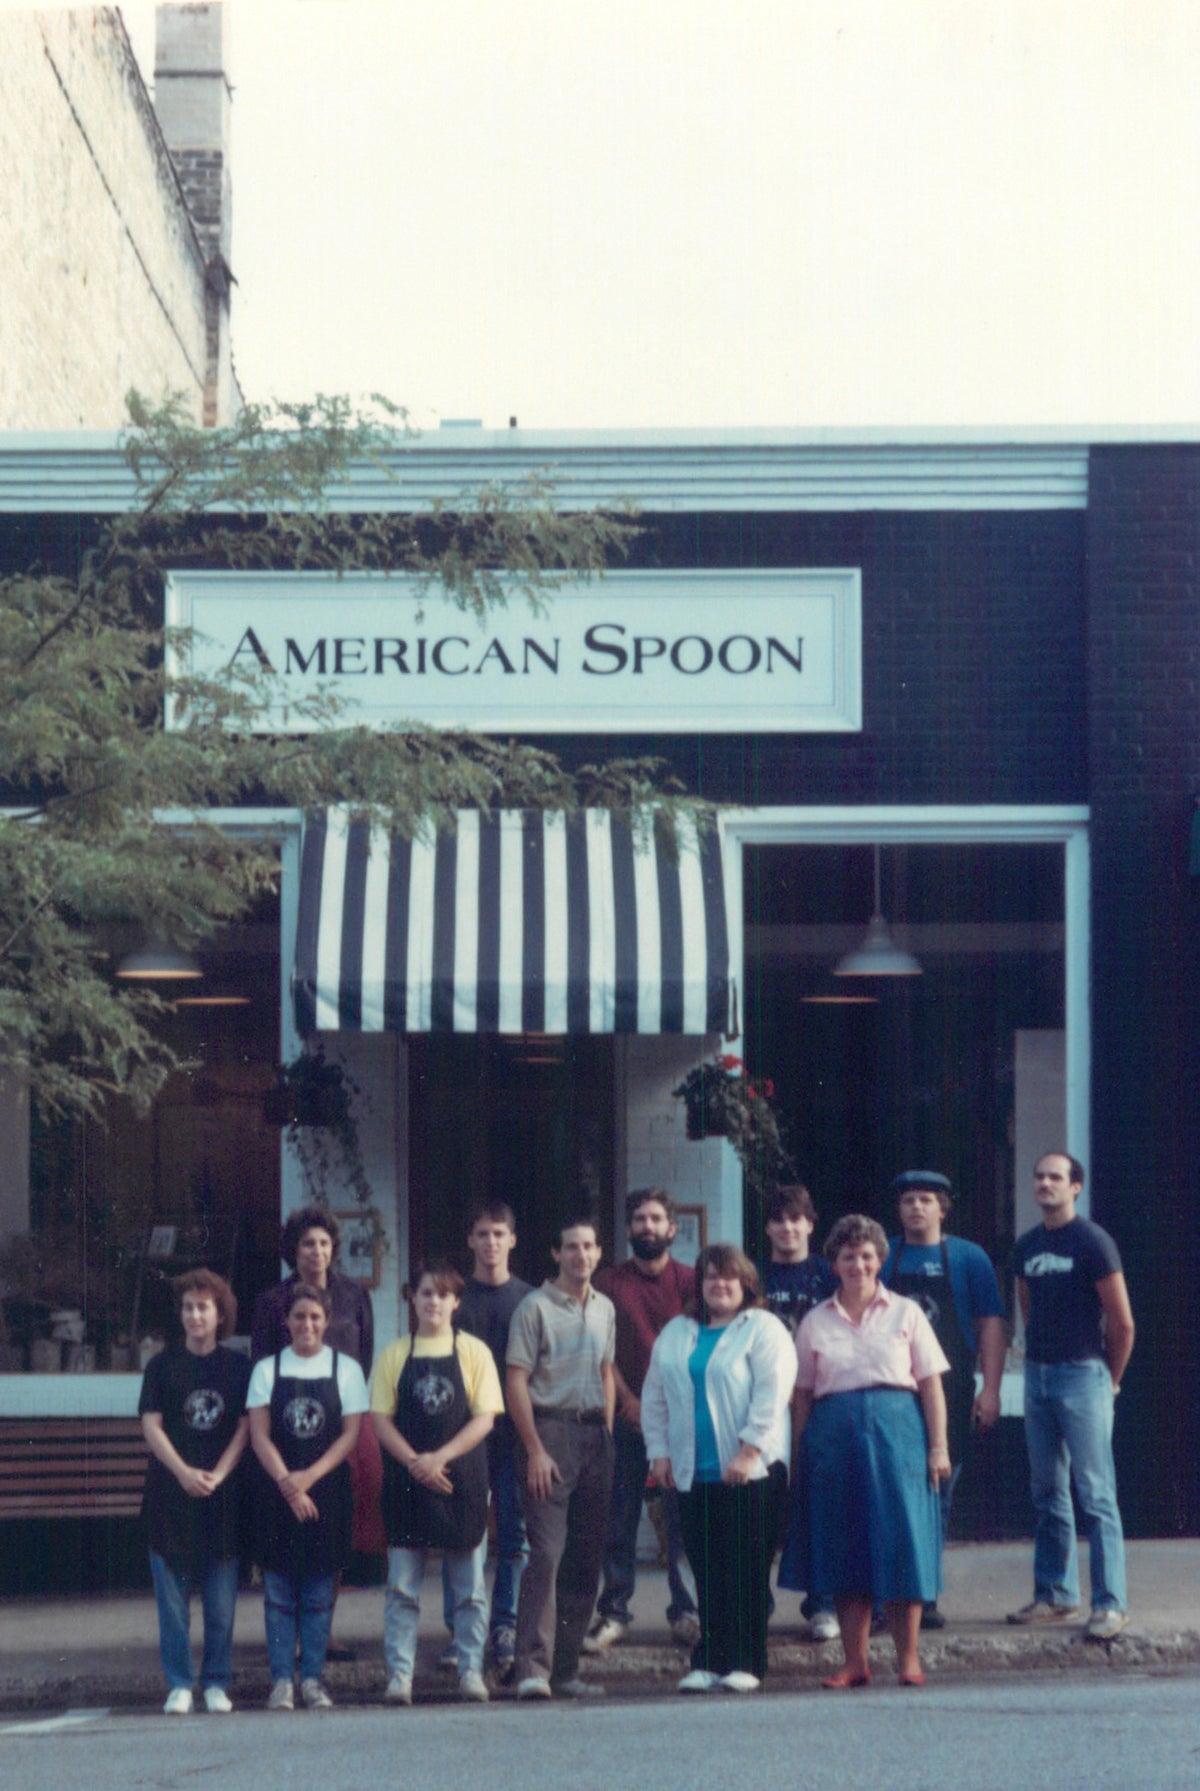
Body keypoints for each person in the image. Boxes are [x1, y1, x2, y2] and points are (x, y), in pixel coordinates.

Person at [780, 1214, 950, 1689]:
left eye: (867, 1255)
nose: (858, 1264)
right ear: (834, 1263)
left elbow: (931, 1385)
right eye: (848, 1256)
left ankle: (909, 1658)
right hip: (834, 1439)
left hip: (899, 1434)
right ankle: (855, 1661)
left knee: (903, 1545)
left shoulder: (906, 1313)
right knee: (845, 1548)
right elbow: (802, 1397)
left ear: (881, 1260)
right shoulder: (814, 1321)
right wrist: (800, 1457)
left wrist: (938, 1448)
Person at [642, 1243, 795, 1694]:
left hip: (753, 1472)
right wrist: (659, 1453)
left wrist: (748, 1452)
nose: (719, 1284)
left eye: (728, 1277)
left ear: (746, 1284)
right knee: (706, 1571)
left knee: (747, 1569)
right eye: (710, 1277)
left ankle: (748, 1662)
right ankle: (709, 1660)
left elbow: (773, 1391)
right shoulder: (677, 1332)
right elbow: (654, 1397)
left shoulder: (763, 1328)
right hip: (694, 1471)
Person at [1007, 1152, 1135, 1641]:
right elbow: (1028, 1310)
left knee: (1096, 1493)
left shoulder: (1093, 1241)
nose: (1045, 1184)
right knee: (1047, 1491)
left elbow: (1122, 1323)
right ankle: (1056, 1594)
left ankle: (1110, 1604)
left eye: (1055, 1178)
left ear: (1075, 1187)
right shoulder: (1026, 1246)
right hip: (1038, 1375)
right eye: (1039, 1176)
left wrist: (1111, 1379)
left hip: (1084, 1375)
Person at [251, 1203, 383, 1655]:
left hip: (341, 1424)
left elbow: (362, 1358)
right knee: (292, 1520)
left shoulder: (353, 1295)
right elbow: (262, 1368)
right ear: (295, 1249)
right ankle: (290, 1634)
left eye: (325, 1243)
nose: (317, 1251)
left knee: (336, 1523)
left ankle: (323, 1630)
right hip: (287, 1428)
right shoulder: (272, 1302)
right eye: (308, 1243)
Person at [371, 1262, 503, 1705]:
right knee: (403, 1588)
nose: (433, 1302)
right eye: (425, 1293)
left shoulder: (474, 1353)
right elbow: (380, 1419)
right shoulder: (393, 1355)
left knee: (469, 1589)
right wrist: (415, 1462)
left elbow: (484, 1418)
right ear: (413, 1299)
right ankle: (400, 1677)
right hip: (407, 1480)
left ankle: (471, 1672)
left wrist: (439, 1459)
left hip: (460, 1480)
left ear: (456, 1302)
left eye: (442, 1295)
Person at [879, 1169, 1006, 1628]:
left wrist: (990, 1389)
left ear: (943, 1208)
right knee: (890, 1493)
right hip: (892, 1390)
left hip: (950, 1391)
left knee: (939, 1493)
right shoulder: (883, 1255)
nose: (916, 1207)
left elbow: (990, 1324)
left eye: (926, 1200)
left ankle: (925, 1594)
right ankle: (884, 1599)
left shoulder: (970, 1258)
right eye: (908, 1199)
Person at [584, 1188, 700, 1655]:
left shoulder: (693, 1280)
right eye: (638, 1219)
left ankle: (687, 1612)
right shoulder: (609, 1283)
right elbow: (600, 1350)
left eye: (655, 1219)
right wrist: (629, 1402)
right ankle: (613, 1613)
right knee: (619, 1519)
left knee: (682, 1523)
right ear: (629, 1228)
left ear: (672, 1228)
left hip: (681, 1422)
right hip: (624, 1417)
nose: (647, 1227)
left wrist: (669, 1411)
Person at [505, 1215, 616, 1699]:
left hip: (595, 1436)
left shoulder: (605, 1308)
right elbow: (515, 1380)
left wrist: (607, 1428)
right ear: (556, 1253)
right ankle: (532, 1669)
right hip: (549, 1433)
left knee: (585, 1558)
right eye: (571, 1247)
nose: (582, 1255)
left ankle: (566, 1670)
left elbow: (607, 1370)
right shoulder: (534, 1308)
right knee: (547, 1554)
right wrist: (534, 1449)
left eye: (589, 1246)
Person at [247, 1280, 368, 1711]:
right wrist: (287, 1482)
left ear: (327, 1321)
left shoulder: (346, 1371)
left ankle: (313, 1680)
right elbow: (259, 1435)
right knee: (279, 1594)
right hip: (275, 1494)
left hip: (327, 1493)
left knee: (318, 1595)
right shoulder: (266, 1371)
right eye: (299, 1316)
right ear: (287, 1321)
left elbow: (350, 1435)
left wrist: (308, 1478)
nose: (307, 1324)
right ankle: (281, 1681)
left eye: (315, 1317)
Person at [139, 1269, 251, 1715]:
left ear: (219, 1313)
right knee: (173, 1604)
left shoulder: (237, 1367)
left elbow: (245, 1428)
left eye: (203, 1306)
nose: (194, 1315)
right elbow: (151, 1424)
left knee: (221, 1606)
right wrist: (184, 1472)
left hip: (221, 1499)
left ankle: (216, 1682)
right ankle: (181, 1683)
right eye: (187, 1307)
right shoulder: (161, 1366)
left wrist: (218, 1474)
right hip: (170, 1499)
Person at [436, 1202, 531, 1682]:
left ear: (512, 1240)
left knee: (515, 1536)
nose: (491, 1242)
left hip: (516, 1436)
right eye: (482, 1234)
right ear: (470, 1241)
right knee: (463, 1534)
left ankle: (506, 1626)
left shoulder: (531, 1300)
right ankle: (460, 1631)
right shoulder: (454, 1300)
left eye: (499, 1233)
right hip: (465, 1434)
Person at [761, 1184, 839, 1644]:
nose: (788, 1228)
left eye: (796, 1219)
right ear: (768, 1227)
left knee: (819, 1504)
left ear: (810, 1224)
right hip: (767, 1407)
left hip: (820, 1400)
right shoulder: (752, 1277)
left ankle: (822, 1603)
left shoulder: (829, 1276)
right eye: (779, 1220)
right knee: (763, 1505)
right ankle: (757, 1604)